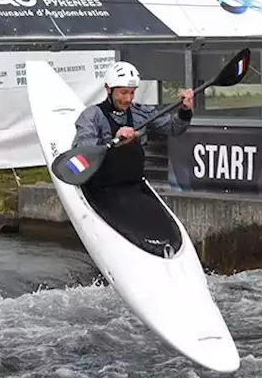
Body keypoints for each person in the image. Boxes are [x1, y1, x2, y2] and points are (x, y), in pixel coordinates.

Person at [70, 61, 195, 254]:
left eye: (132, 92)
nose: (128, 98)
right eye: (123, 93)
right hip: (103, 190)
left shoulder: (141, 113)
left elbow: (174, 128)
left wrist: (185, 110)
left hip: (133, 187)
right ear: (108, 89)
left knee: (153, 223)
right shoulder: (92, 116)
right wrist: (114, 139)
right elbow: (80, 149)